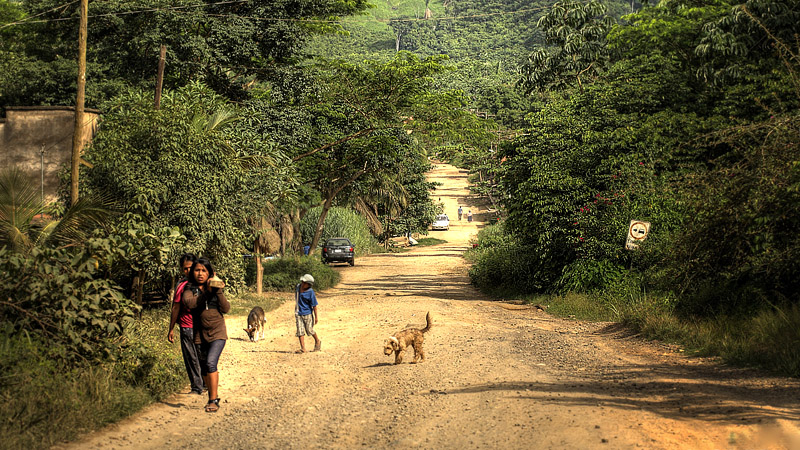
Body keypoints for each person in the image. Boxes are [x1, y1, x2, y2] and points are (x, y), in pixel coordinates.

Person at [182, 258, 231, 413]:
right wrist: (206, 293)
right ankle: (212, 394)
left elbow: (226, 308)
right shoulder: (189, 289)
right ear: (192, 273)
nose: (200, 274)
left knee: (211, 363)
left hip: (217, 332)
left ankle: (213, 400)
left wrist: (217, 290)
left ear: (210, 273)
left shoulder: (215, 289)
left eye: (204, 270)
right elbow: (190, 304)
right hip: (199, 334)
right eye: (197, 270)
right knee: (204, 368)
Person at [167, 253, 205, 395]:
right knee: (192, 356)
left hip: (201, 325)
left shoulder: (204, 283)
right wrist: (171, 328)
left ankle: (200, 385)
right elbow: (176, 307)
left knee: (200, 355)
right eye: (185, 269)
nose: (188, 271)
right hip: (187, 325)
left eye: (191, 268)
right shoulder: (183, 285)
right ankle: (198, 386)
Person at [295, 274, 321, 353]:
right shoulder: (298, 287)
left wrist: (316, 317)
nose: (302, 283)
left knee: (309, 330)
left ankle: (317, 341)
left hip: (308, 314)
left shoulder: (310, 292)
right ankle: (303, 348)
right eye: (302, 282)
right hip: (298, 312)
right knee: (300, 331)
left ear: (309, 285)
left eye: (304, 282)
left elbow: (314, 306)